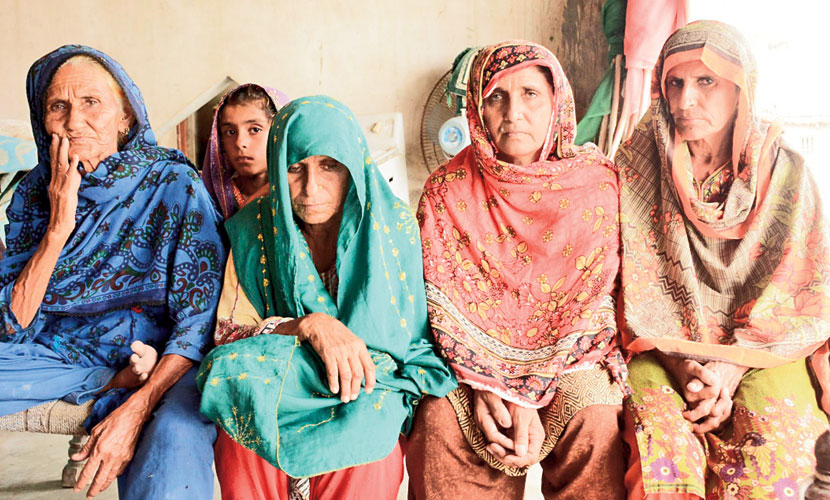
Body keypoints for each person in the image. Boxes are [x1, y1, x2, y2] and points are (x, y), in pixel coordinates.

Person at [615, 21, 830, 499]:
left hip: (765, 349)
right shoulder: (637, 166)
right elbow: (630, 285)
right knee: (663, 457)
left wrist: (729, 367)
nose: (684, 101)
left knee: (780, 453)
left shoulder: (786, 173)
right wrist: (687, 370)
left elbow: (806, 288)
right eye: (674, 83)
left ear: (741, 90)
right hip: (665, 348)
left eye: (706, 82)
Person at [197, 95, 456, 500]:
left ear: (353, 165)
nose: (310, 187)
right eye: (295, 169)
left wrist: (353, 360)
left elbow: (413, 342)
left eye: (329, 166)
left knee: (369, 435)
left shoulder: (396, 230)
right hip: (281, 382)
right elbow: (230, 335)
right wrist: (308, 326)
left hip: (369, 383)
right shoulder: (253, 230)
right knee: (238, 405)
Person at [0, 45, 225, 499]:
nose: (72, 120)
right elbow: (11, 322)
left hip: (155, 356)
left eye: (91, 103)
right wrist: (59, 224)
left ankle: (127, 384)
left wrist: (138, 406)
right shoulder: (31, 192)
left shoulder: (171, 184)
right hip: (52, 356)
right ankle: (109, 382)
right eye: (57, 106)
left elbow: (199, 321)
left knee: (174, 441)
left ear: (125, 118)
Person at [407, 40, 628, 500]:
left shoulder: (596, 186)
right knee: (439, 419)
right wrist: (490, 386)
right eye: (496, 97)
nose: (514, 112)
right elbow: (438, 305)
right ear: (476, 109)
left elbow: (591, 307)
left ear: (557, 104)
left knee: (596, 415)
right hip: (469, 364)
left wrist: (527, 389)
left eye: (530, 94)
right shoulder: (446, 191)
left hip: (571, 358)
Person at [202, 83, 289, 219]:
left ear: (280, 132)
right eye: (230, 132)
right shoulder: (208, 199)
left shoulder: (300, 196)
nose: (240, 143)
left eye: (255, 129)